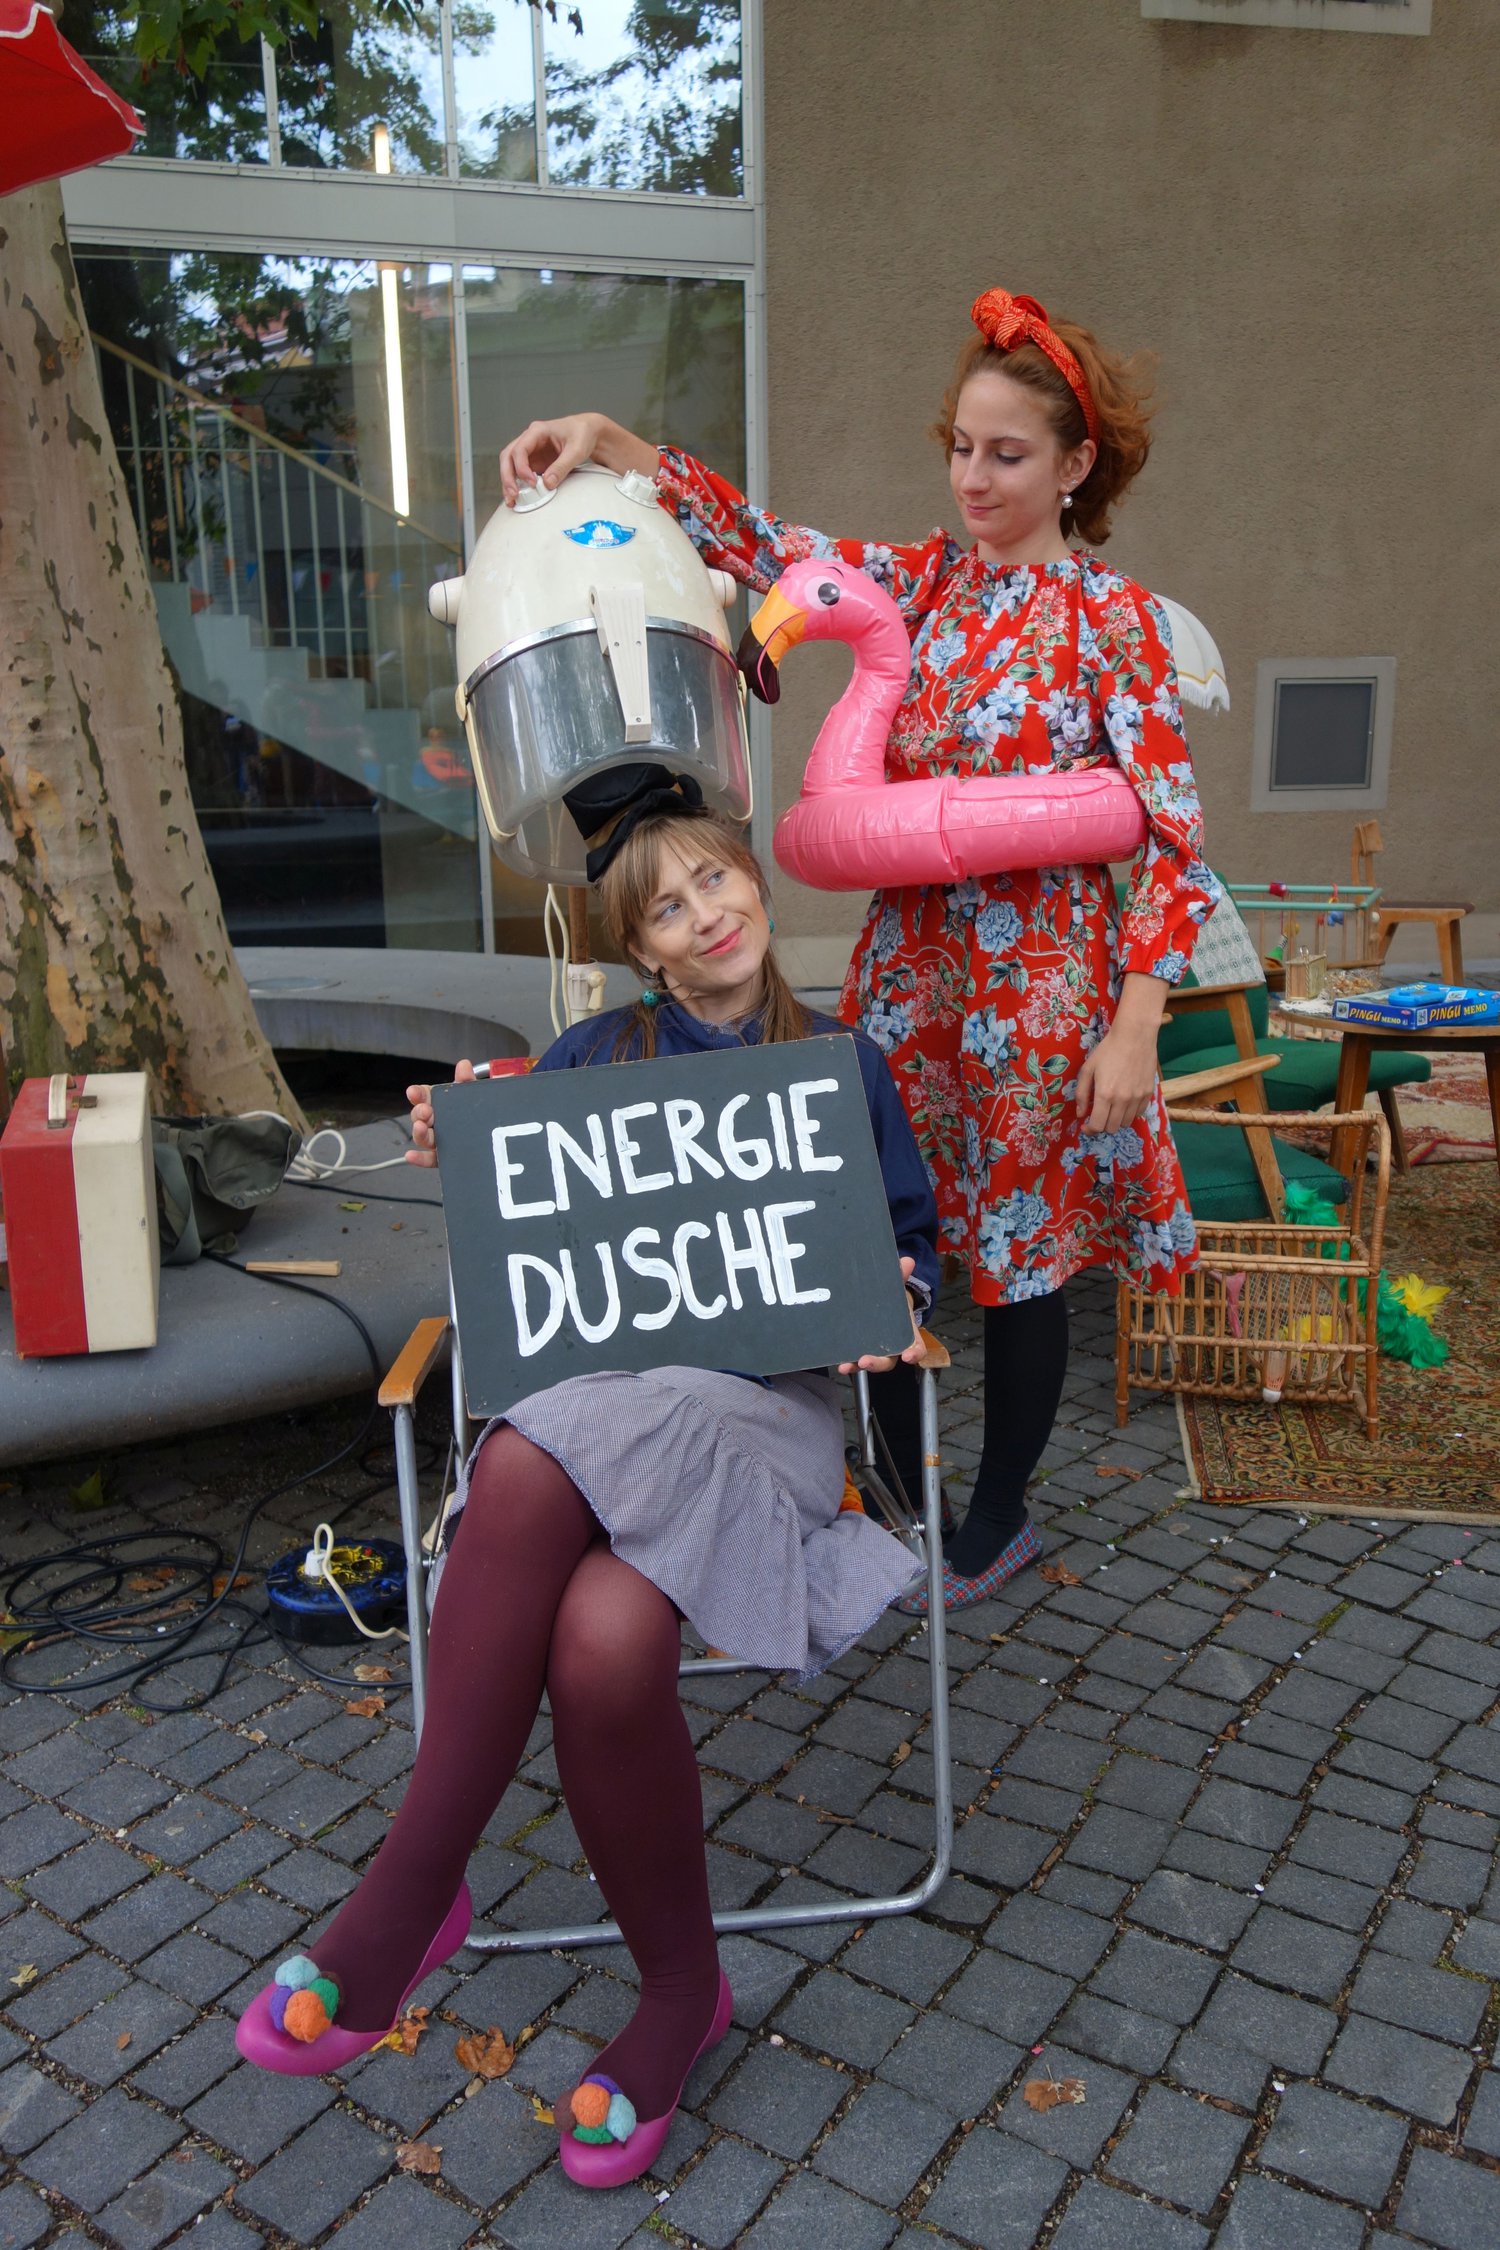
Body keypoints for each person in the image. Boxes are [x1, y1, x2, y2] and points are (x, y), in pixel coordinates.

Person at [236, 777, 940, 2190]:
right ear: (644, 951)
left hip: (764, 1411)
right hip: (605, 1397)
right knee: (593, 1614)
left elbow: (910, 1244)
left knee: (537, 1483)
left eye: (716, 881)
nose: (706, 916)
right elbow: (525, 1220)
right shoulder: (592, 1056)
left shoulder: (842, 1065)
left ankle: (418, 1899)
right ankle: (677, 1987)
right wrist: (461, 1148)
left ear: (754, 883)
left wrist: (896, 1299)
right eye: (668, 909)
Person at [498, 285, 1216, 1614]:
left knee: (1020, 1258)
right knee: (870, 1226)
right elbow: (771, 545)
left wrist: (1136, 1024)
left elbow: (1175, 836)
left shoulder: (1113, 619)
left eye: (1008, 454)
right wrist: (610, 440)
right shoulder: (926, 581)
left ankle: (995, 1515)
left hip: (1039, 988)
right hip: (913, 971)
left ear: (1075, 466)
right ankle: (894, 1488)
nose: (974, 478)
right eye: (961, 447)